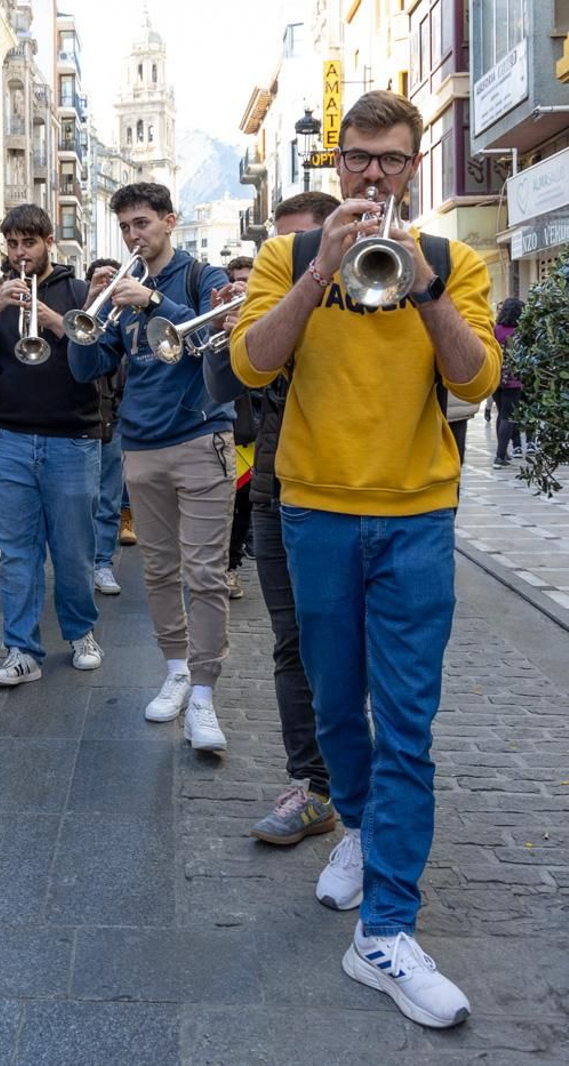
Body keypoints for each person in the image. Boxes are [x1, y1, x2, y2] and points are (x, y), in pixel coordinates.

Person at [231, 90, 501, 1028]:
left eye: (390, 159)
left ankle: (387, 928)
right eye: (358, 158)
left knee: (410, 724)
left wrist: (421, 285)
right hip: (314, 511)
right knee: (335, 705)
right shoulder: (289, 256)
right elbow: (252, 366)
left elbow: (474, 377)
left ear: (414, 167)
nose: (372, 174)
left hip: (417, 514)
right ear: (335, 163)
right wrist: (320, 277)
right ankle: (352, 820)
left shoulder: (455, 261)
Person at [70, 183, 234, 751]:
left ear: (169, 221)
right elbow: (85, 364)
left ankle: (206, 697)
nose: (134, 236)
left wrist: (155, 302)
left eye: (142, 224)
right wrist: (89, 311)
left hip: (201, 436)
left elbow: (216, 336)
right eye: (125, 228)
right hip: (140, 444)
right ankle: (176, 671)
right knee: (160, 571)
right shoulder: (119, 293)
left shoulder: (202, 277)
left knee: (206, 574)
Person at [0, 205, 105, 685]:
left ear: (47, 242)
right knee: (18, 553)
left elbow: (100, 363)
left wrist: (56, 322)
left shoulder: (80, 293)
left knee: (73, 550)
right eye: (13, 245)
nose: (20, 254)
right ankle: (21, 650)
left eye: (29, 243)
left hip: (73, 439)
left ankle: (81, 631)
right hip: (9, 439)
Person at [236, 191, 341, 849]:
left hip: (340, 487)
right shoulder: (281, 294)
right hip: (274, 483)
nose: (293, 258)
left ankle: (352, 781)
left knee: (347, 649)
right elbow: (238, 391)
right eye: (281, 250)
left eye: (305, 243)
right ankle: (312, 786)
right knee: (291, 642)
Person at [86, 257, 128, 596]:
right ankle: (81, 564)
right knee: (79, 501)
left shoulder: (128, 317)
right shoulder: (81, 314)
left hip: (112, 416)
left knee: (109, 499)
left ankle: (102, 563)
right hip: (78, 420)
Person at [221, 255, 257, 601]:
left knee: (244, 503)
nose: (242, 285)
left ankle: (231, 568)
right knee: (224, 504)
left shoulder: (266, 311)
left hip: (256, 428)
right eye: (236, 278)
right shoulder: (221, 317)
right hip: (226, 423)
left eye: (248, 278)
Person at [492, 297, 524, 467]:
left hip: (495, 377)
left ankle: (503, 452)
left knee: (501, 414)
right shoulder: (521, 331)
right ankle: (499, 456)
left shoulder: (496, 329)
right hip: (513, 379)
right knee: (508, 416)